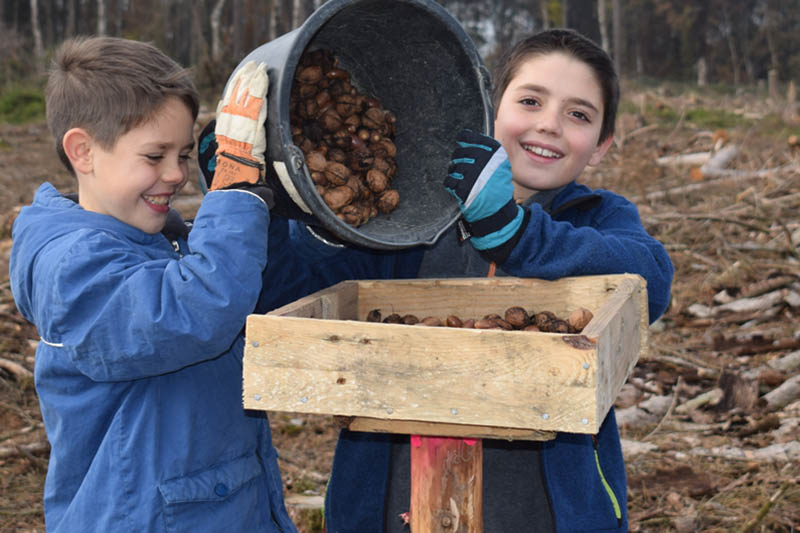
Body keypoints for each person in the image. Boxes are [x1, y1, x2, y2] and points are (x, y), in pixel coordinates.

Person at [322, 28, 674, 532]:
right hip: (395, 504)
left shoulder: (600, 217)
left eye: (578, 115)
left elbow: (651, 280)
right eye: (531, 100)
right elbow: (299, 281)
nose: (549, 125)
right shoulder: (415, 215)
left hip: (543, 512)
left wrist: (517, 234)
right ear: (490, 109)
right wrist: (253, 204)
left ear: (600, 146)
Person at [9, 36, 307, 532]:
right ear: (83, 151)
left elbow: (265, 289)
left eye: (185, 155)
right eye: (154, 156)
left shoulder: (171, 244)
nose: (177, 175)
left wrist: (267, 206)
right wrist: (234, 196)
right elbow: (197, 311)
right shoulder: (73, 267)